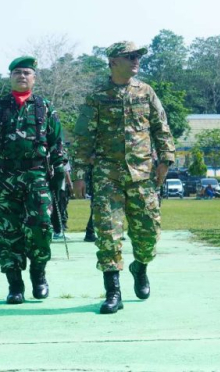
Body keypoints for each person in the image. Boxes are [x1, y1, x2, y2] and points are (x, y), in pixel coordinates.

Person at [72, 41, 175, 314]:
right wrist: (79, 175)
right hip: (108, 176)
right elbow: (83, 137)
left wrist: (165, 160)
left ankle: (139, 266)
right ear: (113, 61)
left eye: (138, 56)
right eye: (130, 56)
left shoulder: (146, 92)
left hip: (142, 175)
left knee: (149, 235)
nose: (136, 61)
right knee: (108, 234)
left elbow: (161, 128)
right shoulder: (97, 96)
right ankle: (113, 292)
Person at [0, 55, 66, 305]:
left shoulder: (45, 107)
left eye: (26, 72)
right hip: (5, 176)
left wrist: (59, 168)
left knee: (41, 227)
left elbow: (57, 142)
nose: (22, 76)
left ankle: (39, 274)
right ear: (10, 77)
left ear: (34, 78)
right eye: (17, 73)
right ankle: (15, 284)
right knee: (8, 230)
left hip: (37, 175)